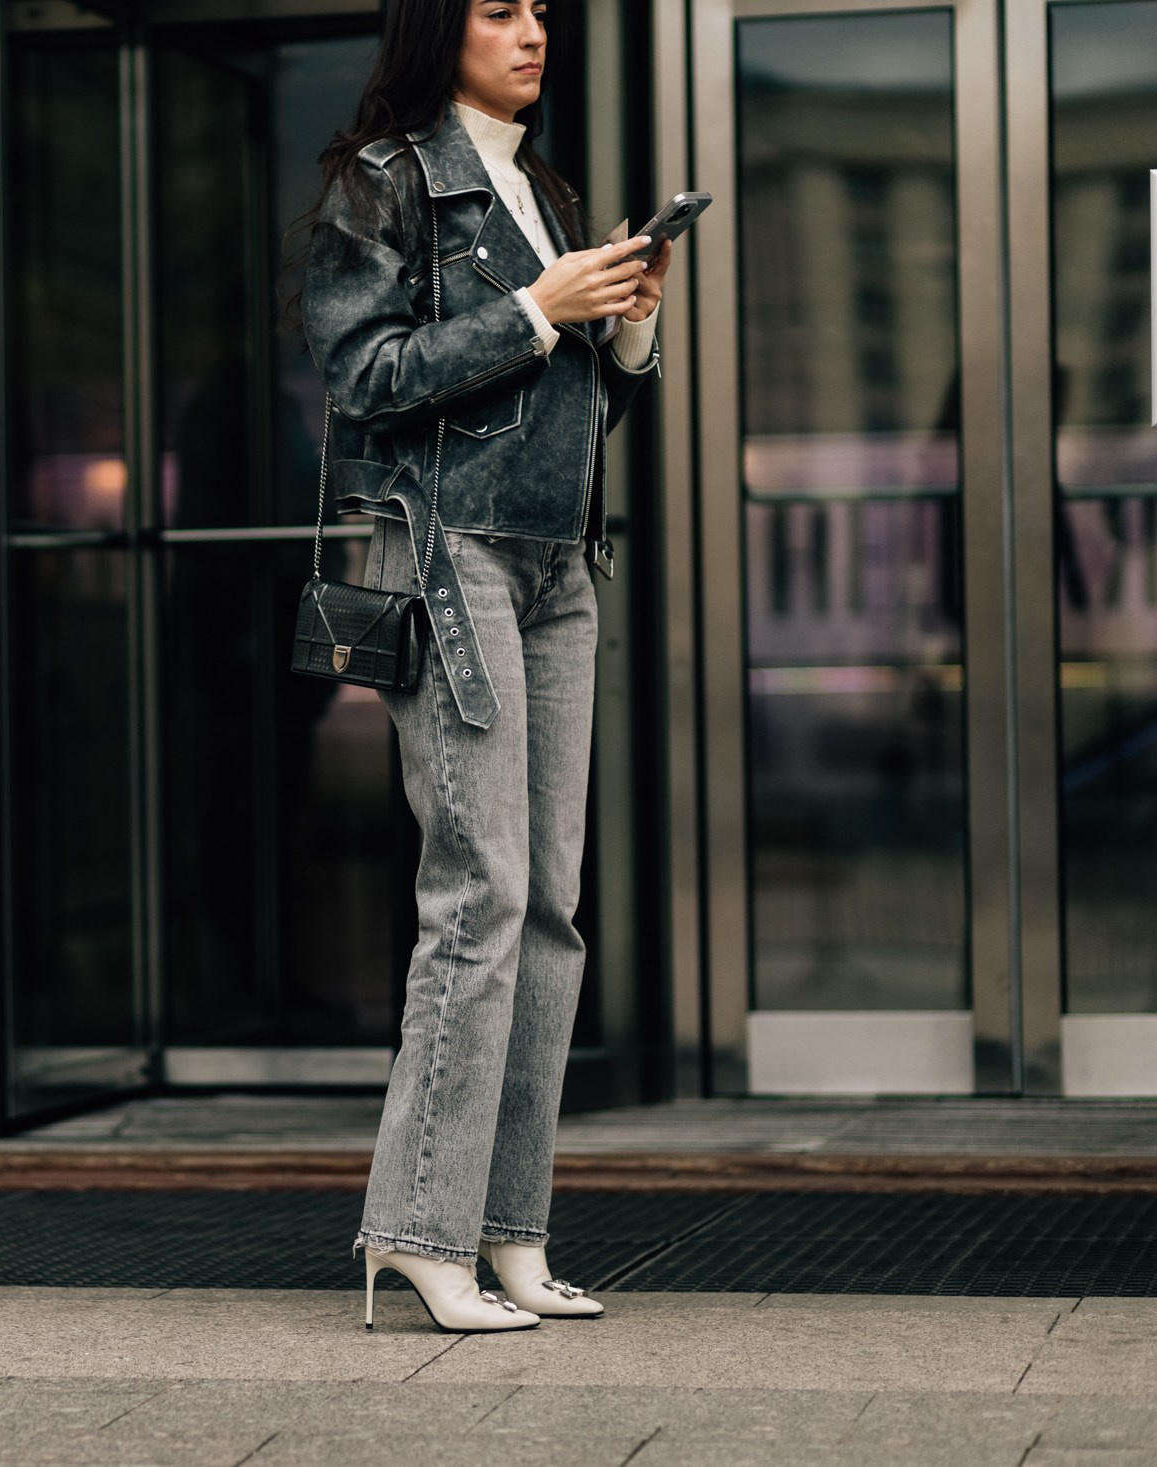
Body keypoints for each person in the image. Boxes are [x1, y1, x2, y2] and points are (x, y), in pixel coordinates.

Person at [293, 0, 672, 1332]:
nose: (533, 31)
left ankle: (510, 1230)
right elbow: (361, 376)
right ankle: (418, 1232)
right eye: (499, 10)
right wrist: (533, 309)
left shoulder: (541, 188)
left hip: (558, 565)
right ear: (435, 28)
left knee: (550, 909)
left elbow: (566, 408)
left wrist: (625, 328)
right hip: (449, 556)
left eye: (540, 10)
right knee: (481, 894)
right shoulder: (386, 178)